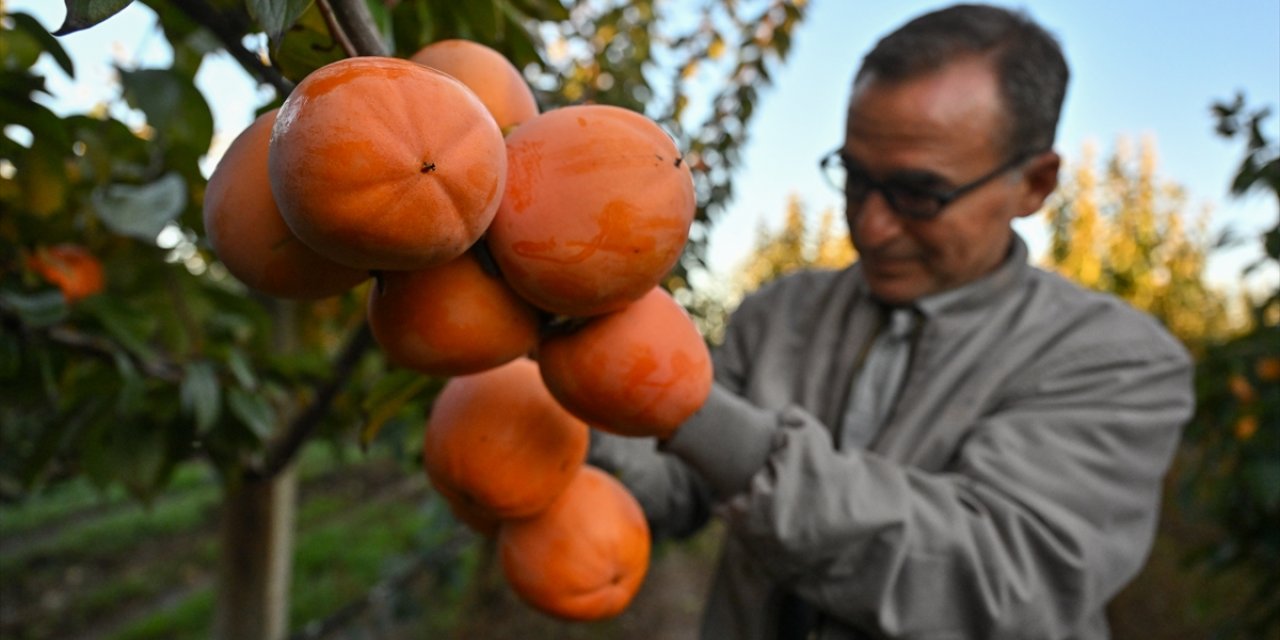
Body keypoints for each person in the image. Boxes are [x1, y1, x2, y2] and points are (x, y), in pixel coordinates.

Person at [589, 4, 1195, 639]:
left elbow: (992, 580)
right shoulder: (779, 314)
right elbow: (676, 489)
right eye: (854, 179)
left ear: (1034, 184)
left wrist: (690, 409)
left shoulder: (1118, 362)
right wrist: (561, 400)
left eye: (920, 194)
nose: (871, 227)